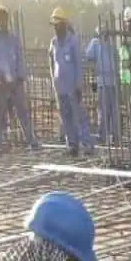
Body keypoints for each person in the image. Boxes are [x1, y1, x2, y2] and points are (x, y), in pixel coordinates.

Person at [0, 5, 40, 153]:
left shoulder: (14, 39)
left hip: (15, 83)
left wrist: (20, 77)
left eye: (4, 18)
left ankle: (32, 141)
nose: (2, 21)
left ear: (7, 20)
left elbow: (20, 59)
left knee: (22, 113)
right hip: (1, 84)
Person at [49, 9, 94, 156]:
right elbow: (52, 64)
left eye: (57, 24)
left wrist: (78, 86)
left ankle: (87, 144)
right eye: (54, 25)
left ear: (64, 24)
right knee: (65, 118)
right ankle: (72, 145)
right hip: (60, 88)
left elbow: (78, 65)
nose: (55, 28)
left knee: (79, 116)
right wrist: (54, 85)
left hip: (72, 87)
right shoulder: (54, 43)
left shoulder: (73, 41)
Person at [86, 25, 120, 144]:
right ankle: (116, 136)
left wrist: (93, 79)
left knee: (104, 110)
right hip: (114, 81)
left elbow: (88, 56)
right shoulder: (113, 44)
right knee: (114, 110)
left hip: (103, 82)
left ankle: (103, 136)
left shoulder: (95, 43)